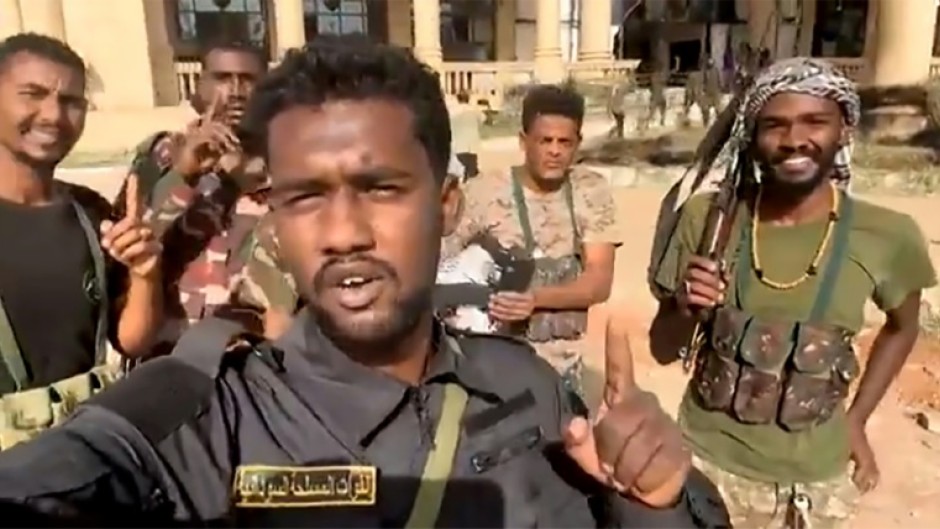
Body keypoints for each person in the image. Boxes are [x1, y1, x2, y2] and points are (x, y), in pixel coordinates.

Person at [0, 38, 703, 528]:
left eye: (381, 187)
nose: (343, 232)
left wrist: (653, 501)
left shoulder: (531, 390)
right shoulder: (205, 412)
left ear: (446, 204)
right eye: (305, 196)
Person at [649, 58, 937, 528]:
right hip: (705, 466)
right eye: (774, 125)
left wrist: (857, 419)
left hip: (811, 486)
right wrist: (686, 307)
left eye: (814, 122)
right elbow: (662, 349)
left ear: (844, 130)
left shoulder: (888, 234)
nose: (793, 140)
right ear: (753, 136)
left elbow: (904, 327)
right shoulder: (711, 220)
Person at [0, 34, 162, 443]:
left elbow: (130, 340)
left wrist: (145, 275)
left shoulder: (89, 212)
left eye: (71, 101)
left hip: (79, 448)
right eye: (32, 94)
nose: (54, 115)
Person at [443, 84, 628, 409]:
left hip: (563, 375)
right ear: (523, 141)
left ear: (577, 144)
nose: (555, 151)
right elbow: (440, 270)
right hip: (493, 376)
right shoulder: (484, 192)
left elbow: (599, 282)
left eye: (564, 142)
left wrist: (535, 300)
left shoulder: (589, 191)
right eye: (545, 140)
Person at [119, 41, 270, 358]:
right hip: (171, 356)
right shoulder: (160, 158)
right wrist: (183, 175)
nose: (236, 91)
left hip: (261, 361)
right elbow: (133, 253)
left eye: (249, 79)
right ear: (199, 86)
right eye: (222, 78)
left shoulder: (291, 164)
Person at [450, 91, 482, 180]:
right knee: (472, 170)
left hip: (458, 141)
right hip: (472, 141)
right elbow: (482, 119)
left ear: (458, 99)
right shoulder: (474, 109)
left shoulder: (453, 110)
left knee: (459, 167)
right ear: (468, 99)